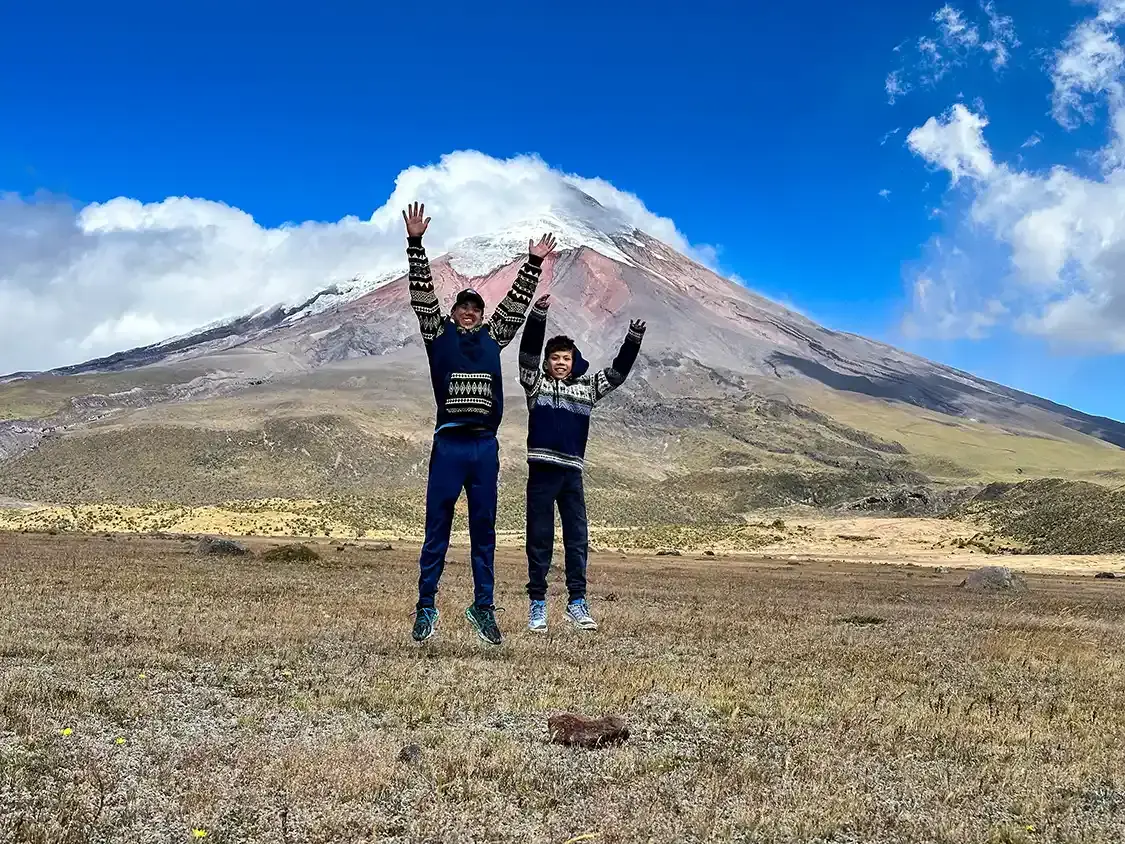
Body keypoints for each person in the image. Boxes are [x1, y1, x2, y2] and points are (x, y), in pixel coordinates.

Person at [403, 201, 556, 645]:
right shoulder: (438, 337)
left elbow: (514, 307)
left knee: (484, 531)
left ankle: (483, 607)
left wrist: (532, 264)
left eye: (475, 309)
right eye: (462, 309)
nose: (469, 313)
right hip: (449, 445)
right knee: (437, 528)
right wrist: (415, 244)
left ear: (482, 315)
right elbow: (421, 294)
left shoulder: (494, 337)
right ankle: (426, 606)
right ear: (453, 314)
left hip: (484, 447)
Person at [517, 293, 646, 632]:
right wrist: (538, 316)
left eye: (566, 358)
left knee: (577, 538)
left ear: (574, 362)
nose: (560, 362)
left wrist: (632, 340)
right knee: (539, 537)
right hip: (542, 473)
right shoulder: (535, 385)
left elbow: (617, 375)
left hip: (571, 474)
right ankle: (538, 605)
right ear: (547, 363)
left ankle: (577, 602)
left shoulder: (587, 389)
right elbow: (527, 354)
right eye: (555, 358)